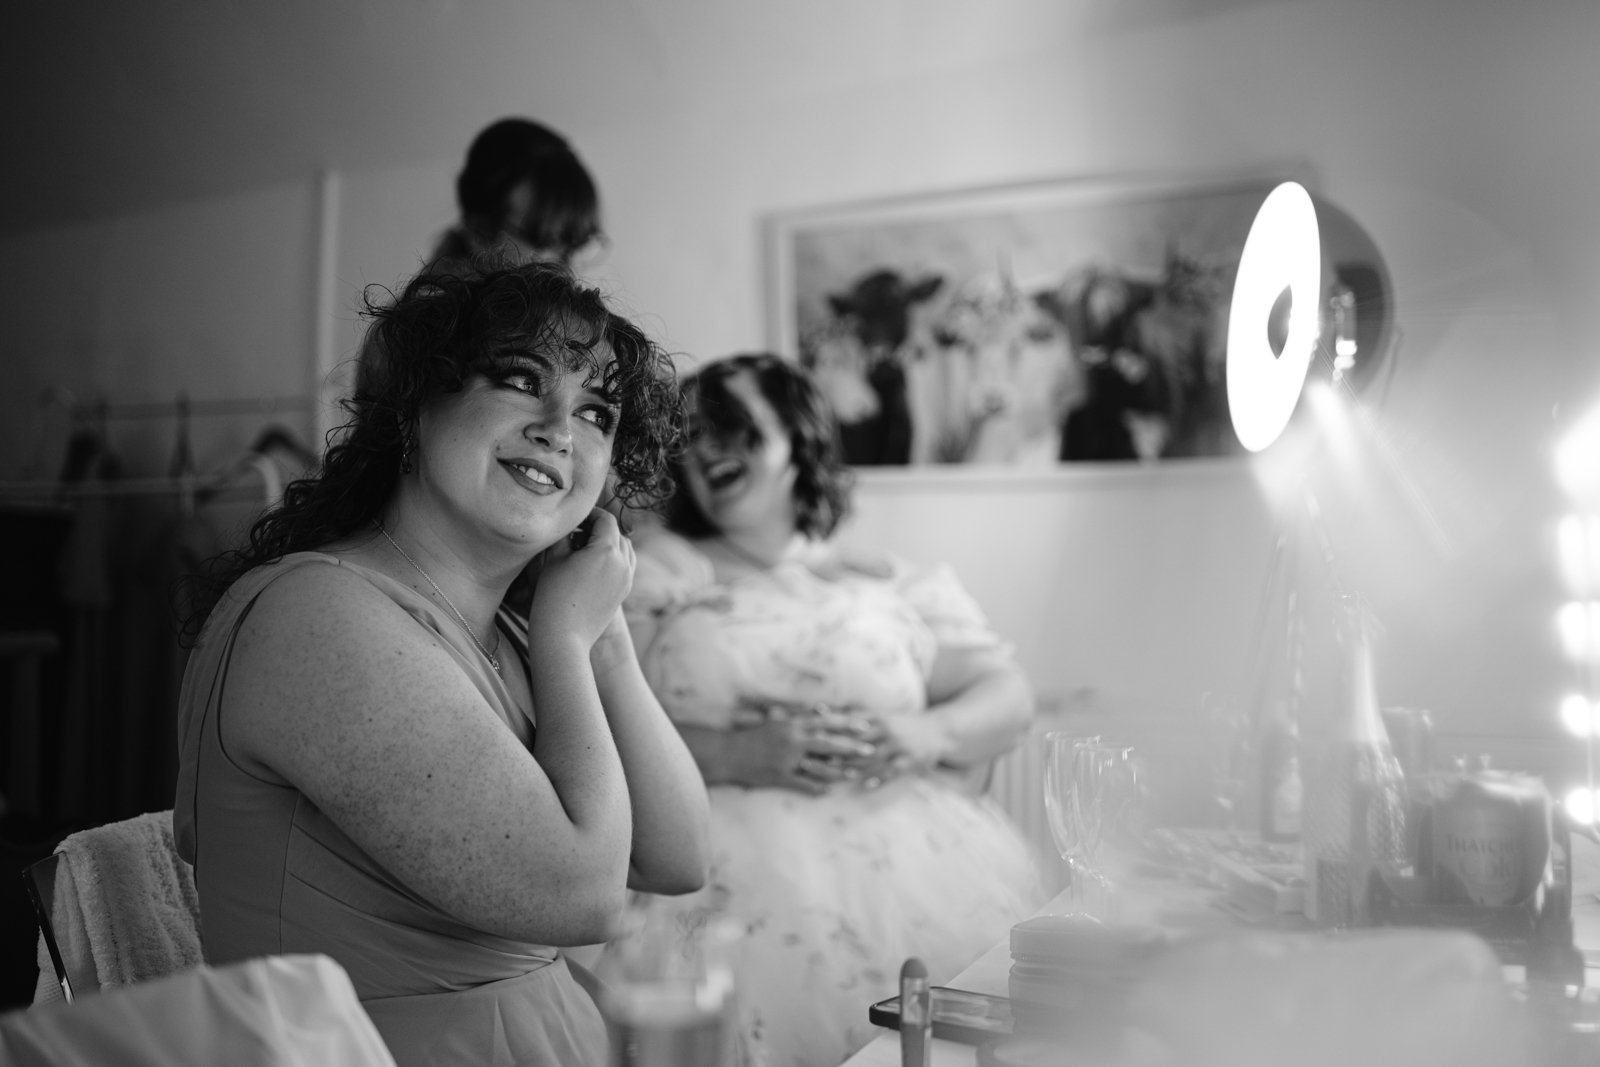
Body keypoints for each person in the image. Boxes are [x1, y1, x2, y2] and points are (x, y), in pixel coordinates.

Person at [173, 262, 711, 1066]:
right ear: (417, 407)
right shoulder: (316, 615)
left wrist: (603, 639)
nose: (562, 426)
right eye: (522, 380)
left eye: (598, 411)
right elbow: (584, 894)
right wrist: (566, 642)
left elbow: (679, 857)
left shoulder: (522, 631)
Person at [613, 352, 1045, 1067]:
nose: (708, 448)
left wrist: (925, 732)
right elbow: (601, 725)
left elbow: (1011, 696)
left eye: (732, 425)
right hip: (712, 880)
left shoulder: (893, 580)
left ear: (797, 436)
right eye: (690, 435)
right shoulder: (657, 570)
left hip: (910, 877)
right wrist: (732, 752)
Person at [425, 116, 606, 275]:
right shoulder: (434, 310)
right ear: (480, 232)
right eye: (545, 242)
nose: (566, 270)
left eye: (574, 245)